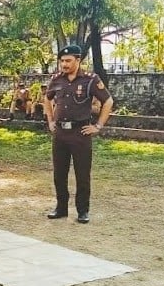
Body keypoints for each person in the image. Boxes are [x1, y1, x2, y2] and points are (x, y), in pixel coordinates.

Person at [44, 45, 113, 224]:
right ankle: (61, 208)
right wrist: (50, 121)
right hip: (60, 133)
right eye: (62, 61)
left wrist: (98, 126)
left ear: (78, 61)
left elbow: (108, 101)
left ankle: (83, 211)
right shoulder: (57, 79)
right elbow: (47, 98)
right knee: (59, 173)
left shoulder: (90, 80)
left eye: (68, 61)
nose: (64, 64)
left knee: (82, 174)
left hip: (80, 133)